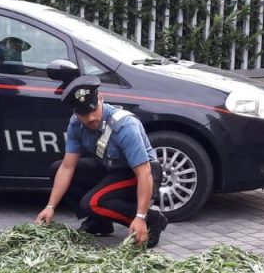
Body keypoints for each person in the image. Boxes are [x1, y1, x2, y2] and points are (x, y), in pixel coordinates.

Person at [34, 76, 169, 248]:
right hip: (111, 168)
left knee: (93, 202)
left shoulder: (125, 126)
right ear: (76, 112)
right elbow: (67, 167)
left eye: (93, 109)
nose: (90, 118)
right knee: (57, 168)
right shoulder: (76, 125)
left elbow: (144, 173)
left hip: (139, 174)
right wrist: (50, 206)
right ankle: (100, 222)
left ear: (101, 99)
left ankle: (151, 220)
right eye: (83, 113)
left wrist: (140, 216)